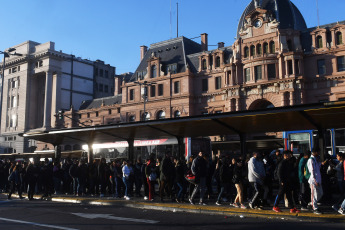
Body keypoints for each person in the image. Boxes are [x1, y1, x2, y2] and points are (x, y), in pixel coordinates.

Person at [307, 147, 323, 215]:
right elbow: (312, 171)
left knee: (320, 193)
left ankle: (312, 203)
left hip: (318, 180)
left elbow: (317, 168)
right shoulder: (311, 160)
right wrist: (315, 181)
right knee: (314, 194)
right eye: (318, 152)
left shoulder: (315, 159)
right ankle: (315, 208)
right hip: (313, 181)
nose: (319, 153)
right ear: (315, 152)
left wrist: (320, 164)